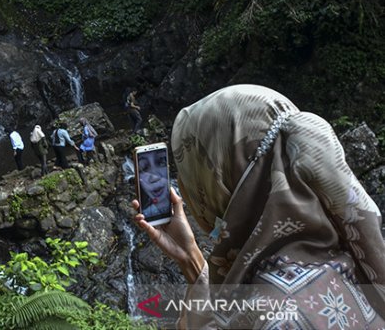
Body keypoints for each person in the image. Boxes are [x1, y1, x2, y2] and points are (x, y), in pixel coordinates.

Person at [132, 85, 385, 329]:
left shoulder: (275, 315)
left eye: (189, 169)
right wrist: (191, 260)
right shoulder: (351, 257)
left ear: (217, 180)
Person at [136, 148, 170, 219]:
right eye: (143, 167)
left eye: (161, 162)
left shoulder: (190, 202)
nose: (154, 178)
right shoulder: (144, 215)